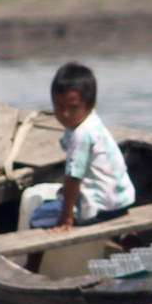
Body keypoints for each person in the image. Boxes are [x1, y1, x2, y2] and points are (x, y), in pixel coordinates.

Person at [30, 62, 136, 232]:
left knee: (37, 218)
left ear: (90, 104)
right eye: (59, 106)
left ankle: (32, 260)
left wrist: (66, 218)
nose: (65, 114)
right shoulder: (92, 123)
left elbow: (73, 177)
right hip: (119, 201)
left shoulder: (81, 135)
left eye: (73, 107)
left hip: (101, 208)